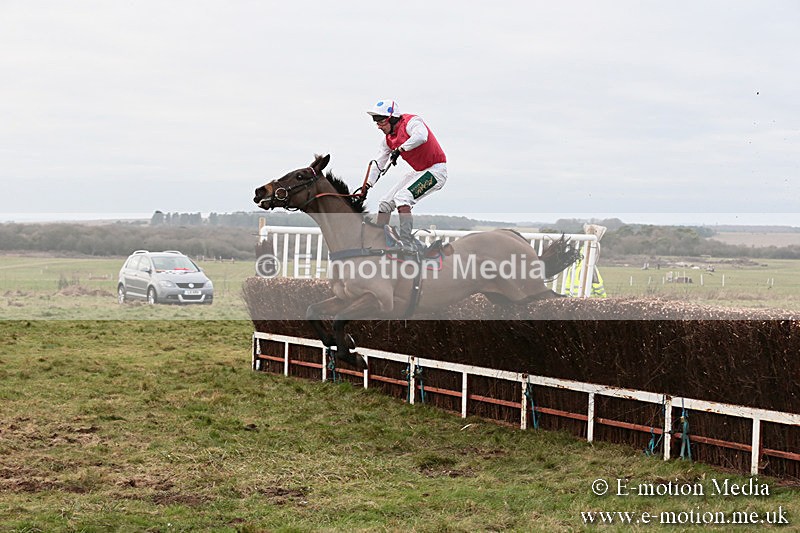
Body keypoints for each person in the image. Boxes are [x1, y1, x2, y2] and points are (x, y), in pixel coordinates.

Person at [364, 99, 448, 253]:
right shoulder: (387, 141)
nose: (378, 126)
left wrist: (400, 149)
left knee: (402, 198)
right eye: (376, 122)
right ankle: (379, 242)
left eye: (381, 121)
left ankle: (406, 244)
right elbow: (379, 163)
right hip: (419, 171)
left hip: (436, 171)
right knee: (384, 203)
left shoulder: (412, 122)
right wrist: (366, 186)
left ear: (393, 118)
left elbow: (421, 136)